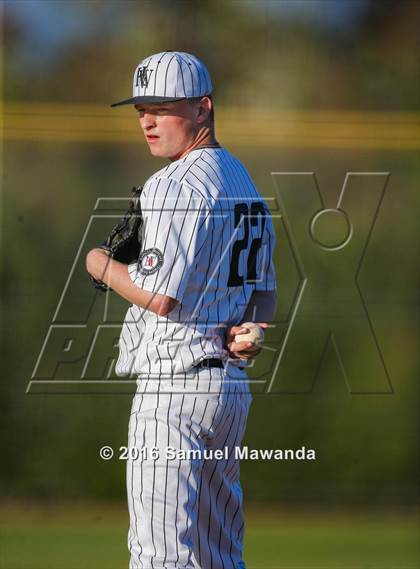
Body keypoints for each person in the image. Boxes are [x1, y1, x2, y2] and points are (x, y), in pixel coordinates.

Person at [86, 51, 277, 569]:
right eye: (140, 108)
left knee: (160, 557)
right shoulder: (242, 181)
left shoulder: (173, 184)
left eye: (163, 107)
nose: (147, 120)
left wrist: (99, 262)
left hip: (174, 390)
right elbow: (264, 293)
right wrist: (252, 328)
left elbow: (161, 298)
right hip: (227, 392)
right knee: (220, 556)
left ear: (202, 108)